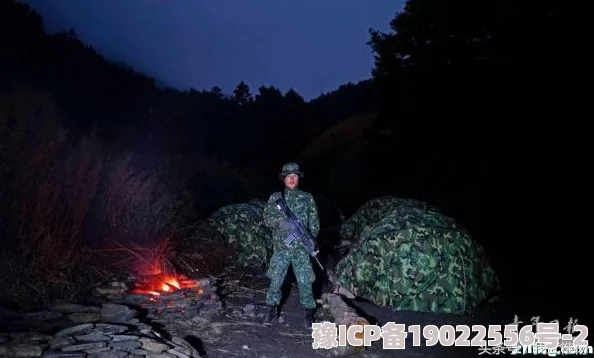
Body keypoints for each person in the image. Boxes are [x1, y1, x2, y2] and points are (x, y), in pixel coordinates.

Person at [262, 162, 320, 329]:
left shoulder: (307, 197)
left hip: (301, 249)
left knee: (305, 281)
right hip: (281, 248)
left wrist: (310, 239)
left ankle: (308, 314)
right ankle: (272, 311)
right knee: (276, 279)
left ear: (298, 178)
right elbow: (267, 219)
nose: (292, 178)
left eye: (294, 176)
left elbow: (314, 223)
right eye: (289, 176)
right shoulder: (276, 198)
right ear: (284, 179)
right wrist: (281, 222)